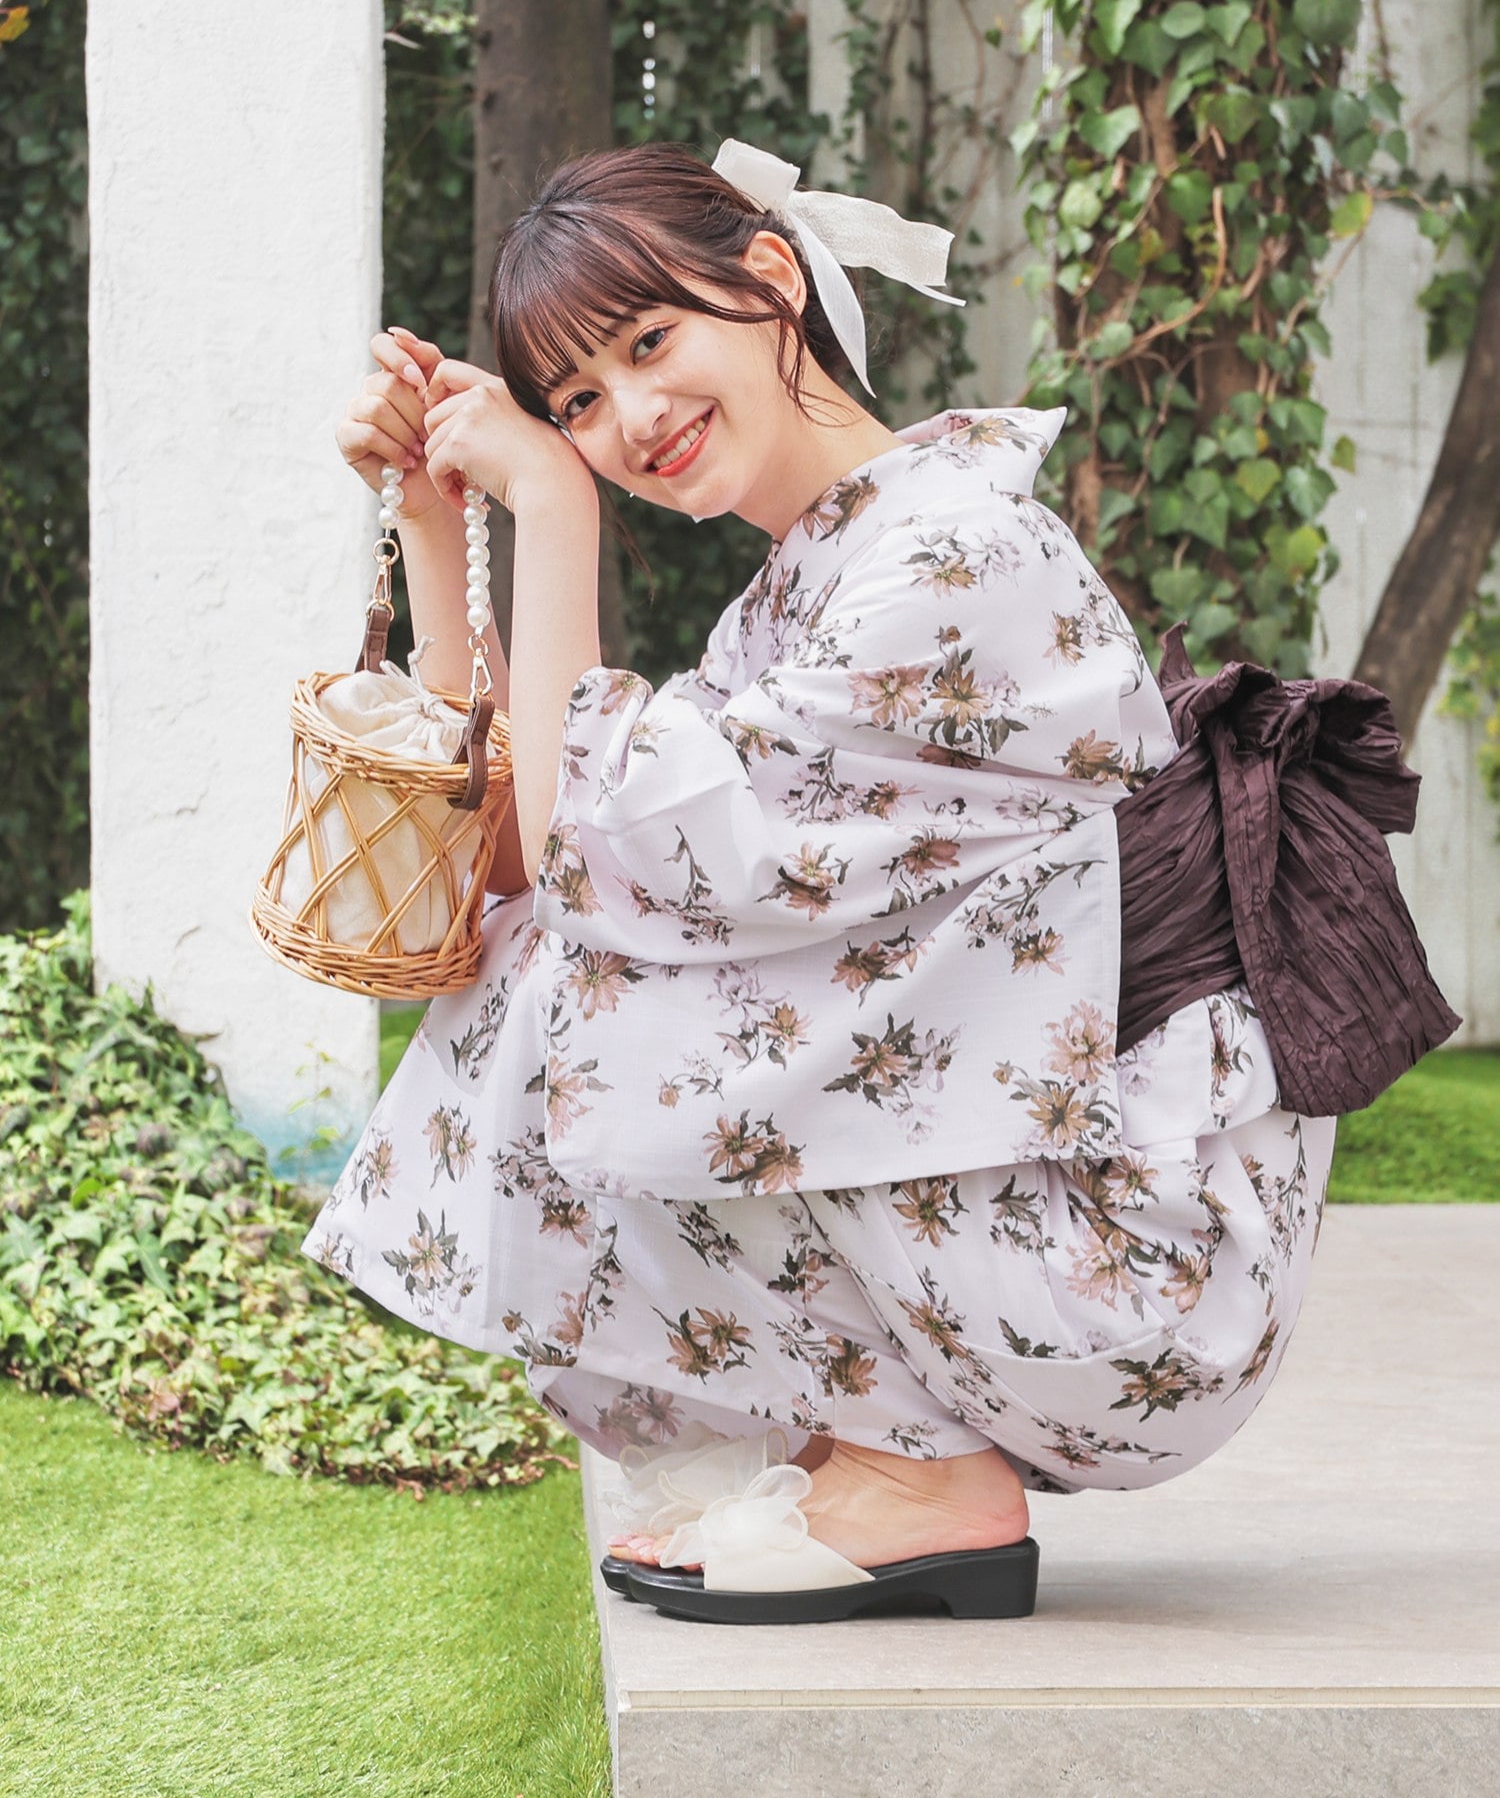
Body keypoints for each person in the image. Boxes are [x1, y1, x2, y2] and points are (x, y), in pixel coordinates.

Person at [306, 138, 1345, 1626]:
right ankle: (871, 1448)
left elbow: (615, 857)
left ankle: (925, 1477)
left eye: (648, 341)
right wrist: (432, 517)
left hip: (1126, 1270)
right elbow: (526, 851)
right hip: (1023, 1211)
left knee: (589, 981)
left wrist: (555, 505)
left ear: (771, 278)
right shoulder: (813, 582)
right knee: (549, 953)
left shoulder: (958, 558)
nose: (630, 418)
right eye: (579, 401)